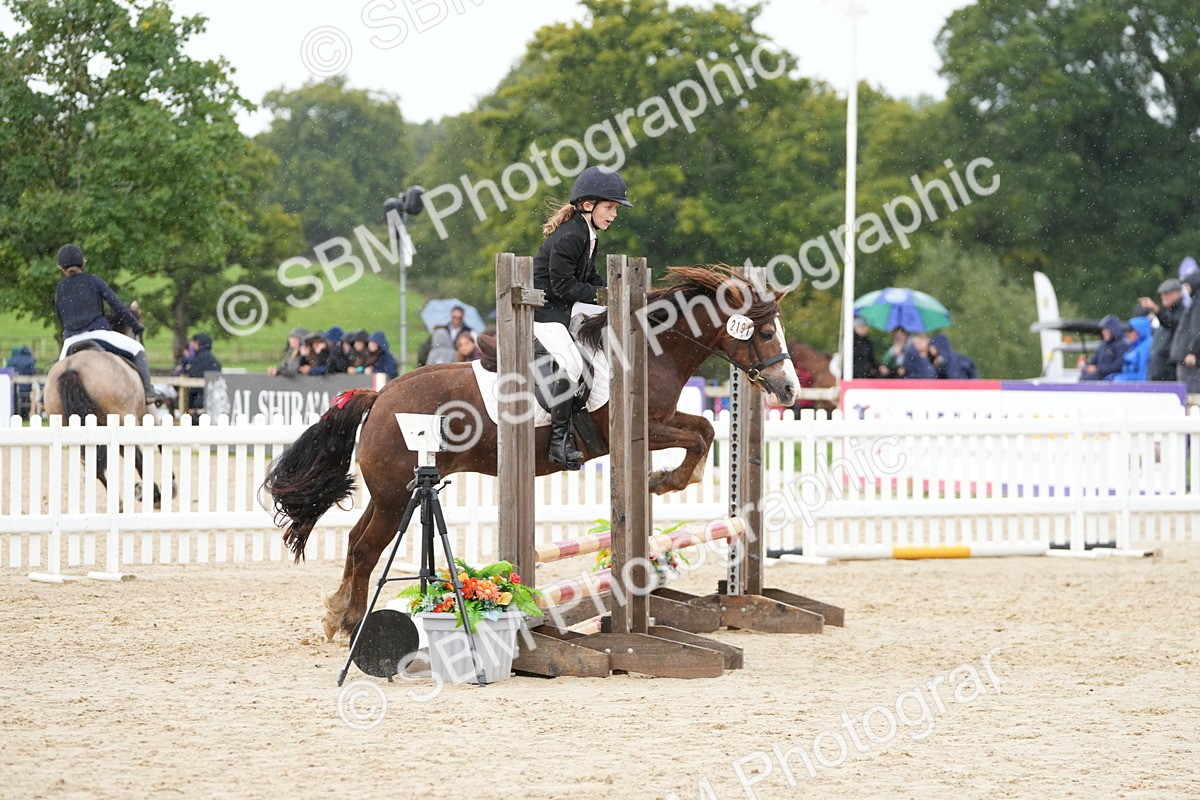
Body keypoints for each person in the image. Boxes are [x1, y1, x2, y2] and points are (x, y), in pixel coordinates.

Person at [532, 165, 632, 469]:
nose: (614, 214)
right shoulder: (572, 236)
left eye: (616, 209)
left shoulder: (589, 234)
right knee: (573, 364)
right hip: (544, 313)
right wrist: (606, 296)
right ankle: (558, 441)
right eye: (610, 207)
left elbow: (590, 278)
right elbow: (564, 286)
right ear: (588, 205)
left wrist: (617, 292)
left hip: (563, 308)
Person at [52, 243, 162, 404]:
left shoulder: (59, 289)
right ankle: (148, 391)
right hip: (99, 334)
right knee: (138, 349)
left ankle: (46, 402)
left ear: (61, 268)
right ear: (83, 263)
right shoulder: (93, 280)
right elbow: (117, 305)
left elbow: (61, 319)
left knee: (56, 377)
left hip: (71, 341)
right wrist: (136, 326)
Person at [1142, 278, 1185, 381]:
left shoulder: (1184, 313)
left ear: (1179, 293)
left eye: (1167, 293)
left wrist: (1157, 311)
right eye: (1162, 294)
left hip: (1169, 372)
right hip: (1157, 370)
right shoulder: (1165, 313)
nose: (1164, 296)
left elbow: (1173, 323)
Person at [1171, 272, 1200, 392]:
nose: (1185, 289)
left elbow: (1197, 327)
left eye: (1187, 285)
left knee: (1190, 396)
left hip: (1190, 360)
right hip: (1190, 358)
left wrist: (1192, 352)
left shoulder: (1198, 299)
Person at [1078, 315, 1128, 380]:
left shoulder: (1121, 344)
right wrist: (1084, 365)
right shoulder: (1103, 345)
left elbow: (1118, 366)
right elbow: (1093, 361)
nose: (1104, 332)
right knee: (1084, 376)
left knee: (1088, 378)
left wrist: (1098, 368)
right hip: (1100, 375)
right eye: (1103, 330)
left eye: (1107, 330)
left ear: (1113, 330)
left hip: (1111, 377)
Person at [183, 332, 221, 411]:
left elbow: (191, 374)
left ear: (199, 343)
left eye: (194, 343)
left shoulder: (200, 359)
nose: (192, 345)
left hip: (200, 397)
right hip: (213, 396)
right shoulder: (213, 359)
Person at [1108, 316, 1152, 382]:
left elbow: (1145, 376)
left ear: (1140, 331)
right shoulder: (1135, 346)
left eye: (1130, 330)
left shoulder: (1146, 346)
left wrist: (1121, 379)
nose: (1127, 333)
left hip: (1137, 386)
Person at [7, 345, 37, 417]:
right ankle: (27, 413)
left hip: (16, 388)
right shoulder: (30, 360)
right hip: (27, 388)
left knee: (17, 399)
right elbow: (33, 372)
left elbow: (9, 370)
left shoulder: (13, 360)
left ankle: (17, 413)